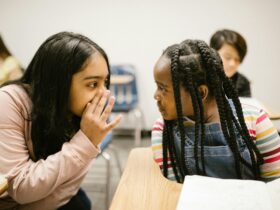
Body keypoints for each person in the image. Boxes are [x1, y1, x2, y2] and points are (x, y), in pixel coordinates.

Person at [0, 31, 122, 210]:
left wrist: (87, 140)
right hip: (13, 202)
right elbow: (21, 189)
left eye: (105, 82)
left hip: (53, 194)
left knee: (81, 204)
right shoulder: (9, 101)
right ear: (58, 83)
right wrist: (85, 141)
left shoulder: (76, 112)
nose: (104, 94)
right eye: (93, 84)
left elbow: (68, 188)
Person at [151, 39, 280, 184]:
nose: (155, 95)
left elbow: (274, 187)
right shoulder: (163, 129)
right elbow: (173, 188)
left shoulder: (256, 122)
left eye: (162, 88)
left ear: (200, 93)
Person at [210, 29, 251, 97]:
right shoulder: (199, 77)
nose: (232, 64)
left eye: (237, 59)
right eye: (227, 57)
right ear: (212, 53)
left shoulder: (242, 83)